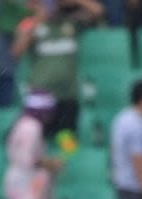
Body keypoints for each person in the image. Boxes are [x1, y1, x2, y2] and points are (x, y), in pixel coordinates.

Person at [11, 0, 103, 141]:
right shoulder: (29, 25)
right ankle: (40, 162)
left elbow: (98, 11)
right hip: (41, 95)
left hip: (68, 95)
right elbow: (16, 52)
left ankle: (67, 163)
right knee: (36, 136)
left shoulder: (71, 24)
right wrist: (38, 17)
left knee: (67, 140)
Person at [3, 91, 63, 199]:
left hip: (22, 177)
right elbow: (28, 160)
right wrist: (51, 163)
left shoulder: (24, 123)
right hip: (26, 179)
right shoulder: (32, 128)